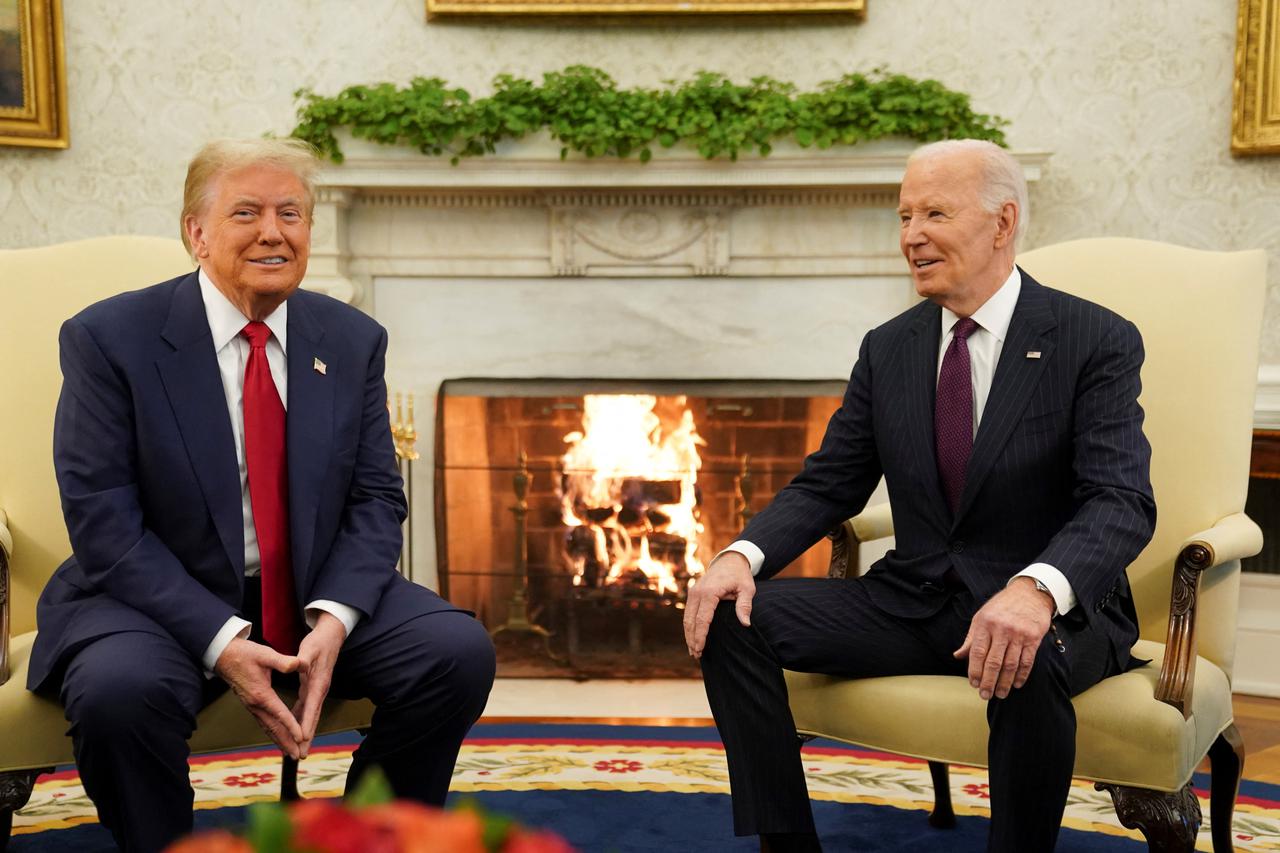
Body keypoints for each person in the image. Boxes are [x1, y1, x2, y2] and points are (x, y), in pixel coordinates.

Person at [683, 139, 1156, 853]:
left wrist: (1035, 589)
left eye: (935, 212)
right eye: (904, 215)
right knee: (729, 614)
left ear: (1002, 223)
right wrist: (740, 555)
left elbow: (1120, 499)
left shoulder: (1092, 339)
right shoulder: (889, 347)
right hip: (915, 598)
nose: (912, 236)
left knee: (1023, 655)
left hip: (1052, 610)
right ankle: (787, 844)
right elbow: (831, 478)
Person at [27, 138, 496, 852]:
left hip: (307, 588)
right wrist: (224, 641)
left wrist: (335, 619)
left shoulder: (350, 338)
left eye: (291, 213)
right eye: (245, 212)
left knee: (455, 650)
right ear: (196, 232)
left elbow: (376, 499)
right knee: (119, 693)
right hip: (151, 594)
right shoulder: (109, 340)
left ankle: (373, 835)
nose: (273, 232)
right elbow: (104, 524)